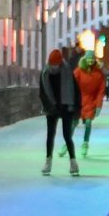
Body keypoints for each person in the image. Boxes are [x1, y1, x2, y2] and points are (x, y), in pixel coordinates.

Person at [39, 48, 81, 176]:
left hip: (66, 106)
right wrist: (48, 106)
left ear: (60, 63)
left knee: (67, 135)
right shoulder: (45, 72)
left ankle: (73, 162)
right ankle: (48, 162)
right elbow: (42, 92)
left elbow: (75, 91)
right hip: (52, 106)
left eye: (56, 64)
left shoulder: (67, 70)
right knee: (50, 135)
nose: (54, 67)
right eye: (52, 64)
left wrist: (76, 108)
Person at [75, 51, 107, 157]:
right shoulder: (78, 71)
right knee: (73, 124)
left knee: (88, 123)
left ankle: (85, 143)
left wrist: (98, 106)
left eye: (92, 58)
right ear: (85, 59)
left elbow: (101, 91)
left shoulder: (98, 73)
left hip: (91, 102)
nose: (90, 60)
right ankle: (67, 142)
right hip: (78, 102)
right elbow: (72, 85)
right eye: (88, 58)